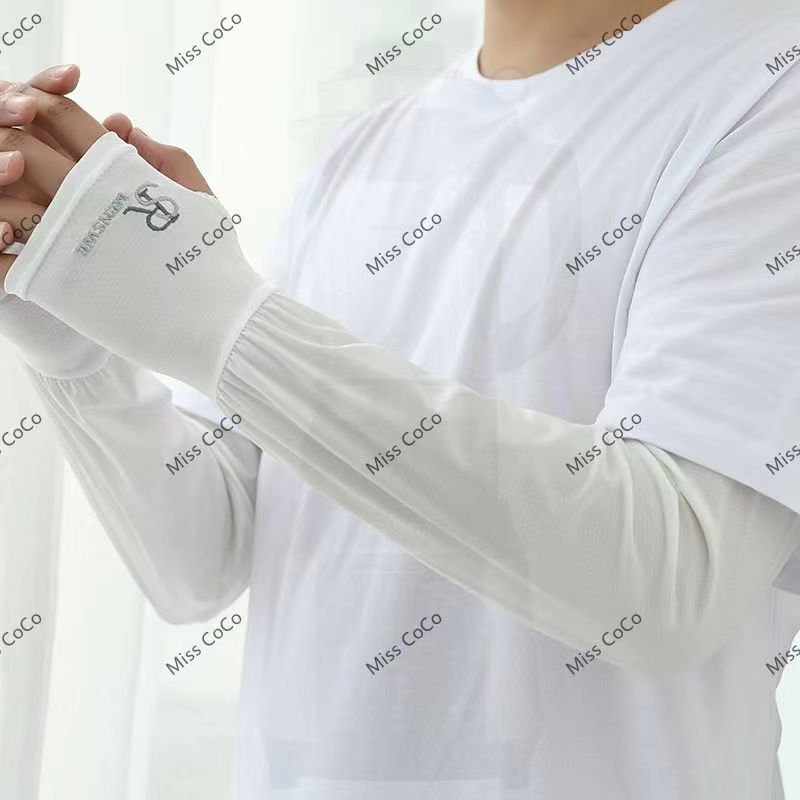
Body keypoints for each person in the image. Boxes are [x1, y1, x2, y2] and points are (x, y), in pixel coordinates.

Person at [1, 0, 800, 796]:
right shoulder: (365, 148)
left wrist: (212, 311)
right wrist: (74, 334)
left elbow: (670, 583)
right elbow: (200, 560)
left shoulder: (770, 87)